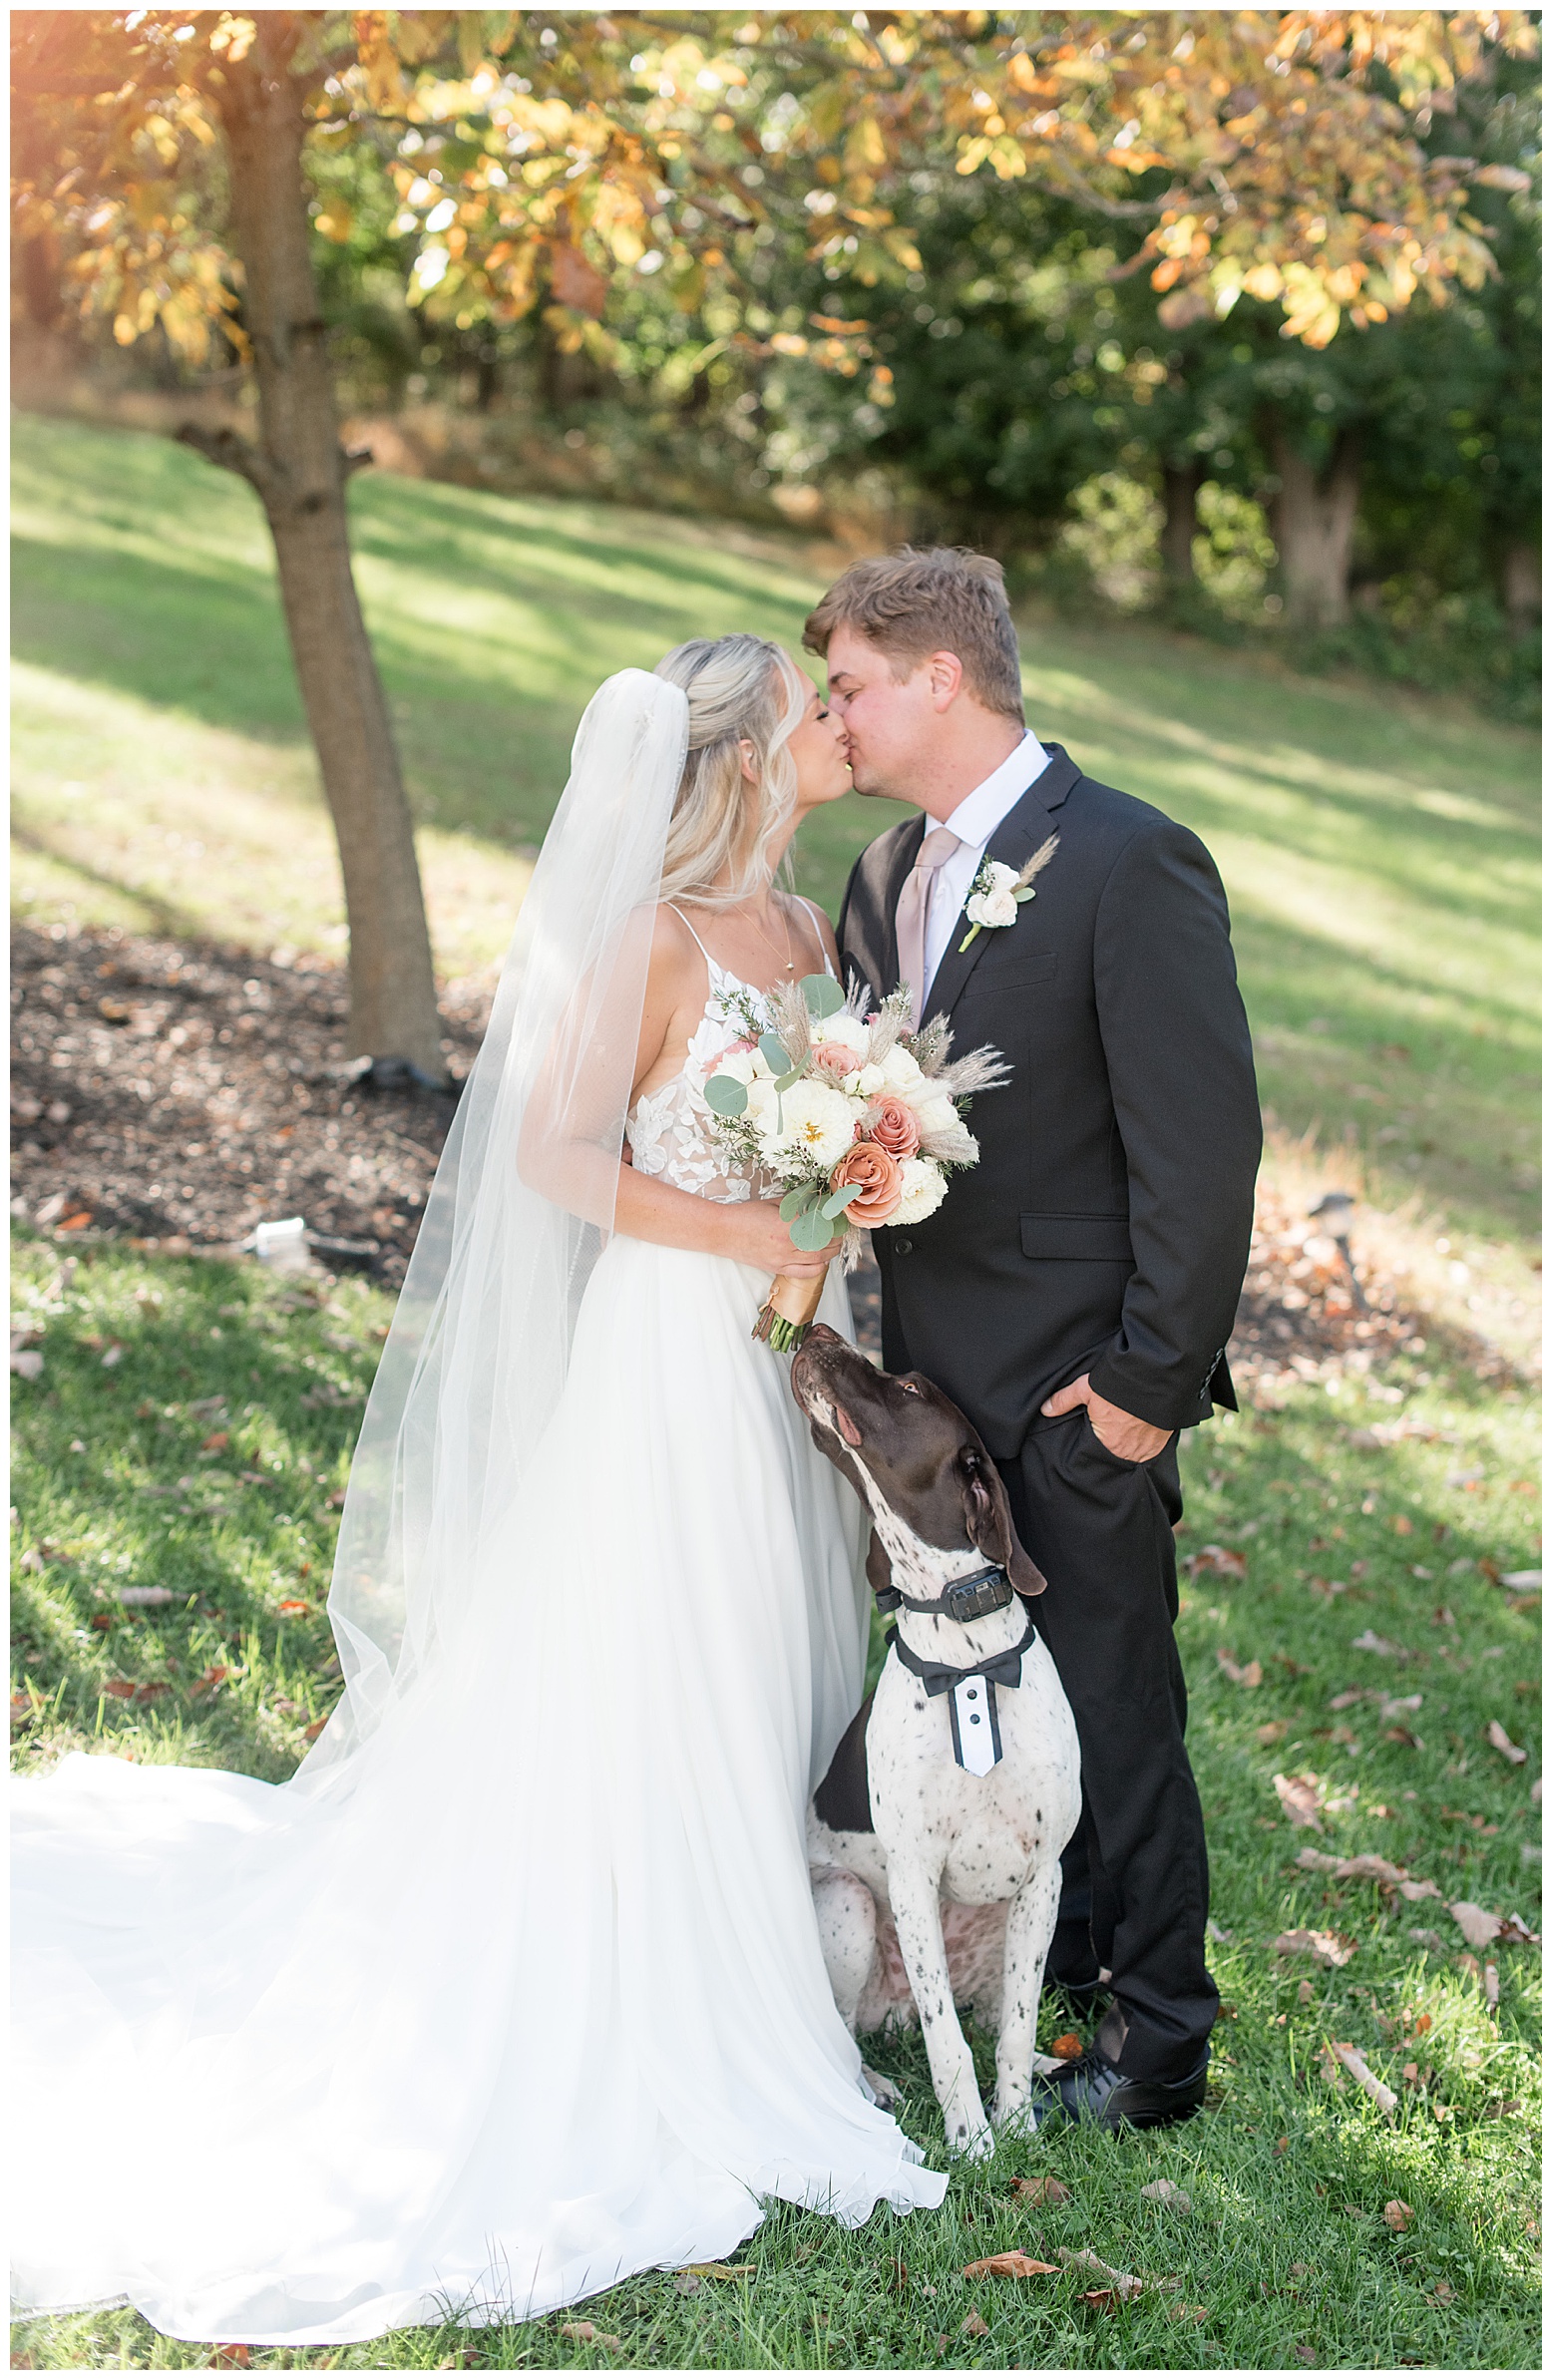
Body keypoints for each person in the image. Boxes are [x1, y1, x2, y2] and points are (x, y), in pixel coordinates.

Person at [10, 637, 945, 2352]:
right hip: (671, 1356)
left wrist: (857, 1179)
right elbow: (554, 1154)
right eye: (806, 715)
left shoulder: (810, 939)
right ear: (739, 761)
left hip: (777, 1360)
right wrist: (752, 1226)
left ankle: (732, 1916)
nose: (832, 728)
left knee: (756, 1654)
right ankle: (644, 1961)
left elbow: (820, 1133)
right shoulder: (651, 943)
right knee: (658, 1645)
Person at [813, 548, 1262, 2132]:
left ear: (941, 678)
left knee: (1113, 1698)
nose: (834, 714)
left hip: (1081, 1383)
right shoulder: (883, 877)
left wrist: (1143, 1390)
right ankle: (1052, 1960)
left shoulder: (1130, 860)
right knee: (973, 1688)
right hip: (937, 1382)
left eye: (851, 683)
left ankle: (1159, 2040)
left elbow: (1202, 1157)